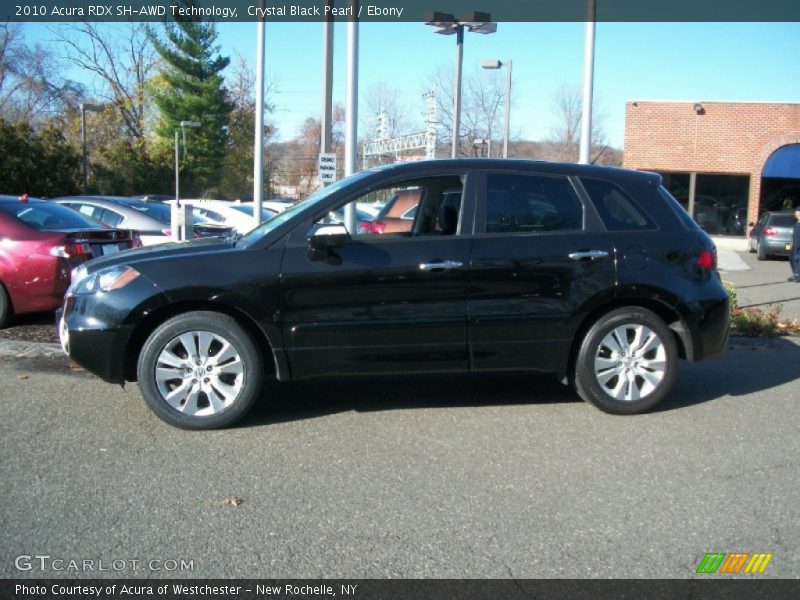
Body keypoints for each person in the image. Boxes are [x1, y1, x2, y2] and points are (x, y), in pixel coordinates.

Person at [790, 207, 800, 283]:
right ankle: (795, 274)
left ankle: (798, 276)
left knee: (797, 259)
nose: (795, 213)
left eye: (797, 212)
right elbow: (793, 236)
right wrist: (789, 246)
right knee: (791, 258)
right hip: (793, 245)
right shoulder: (797, 223)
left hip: (798, 246)